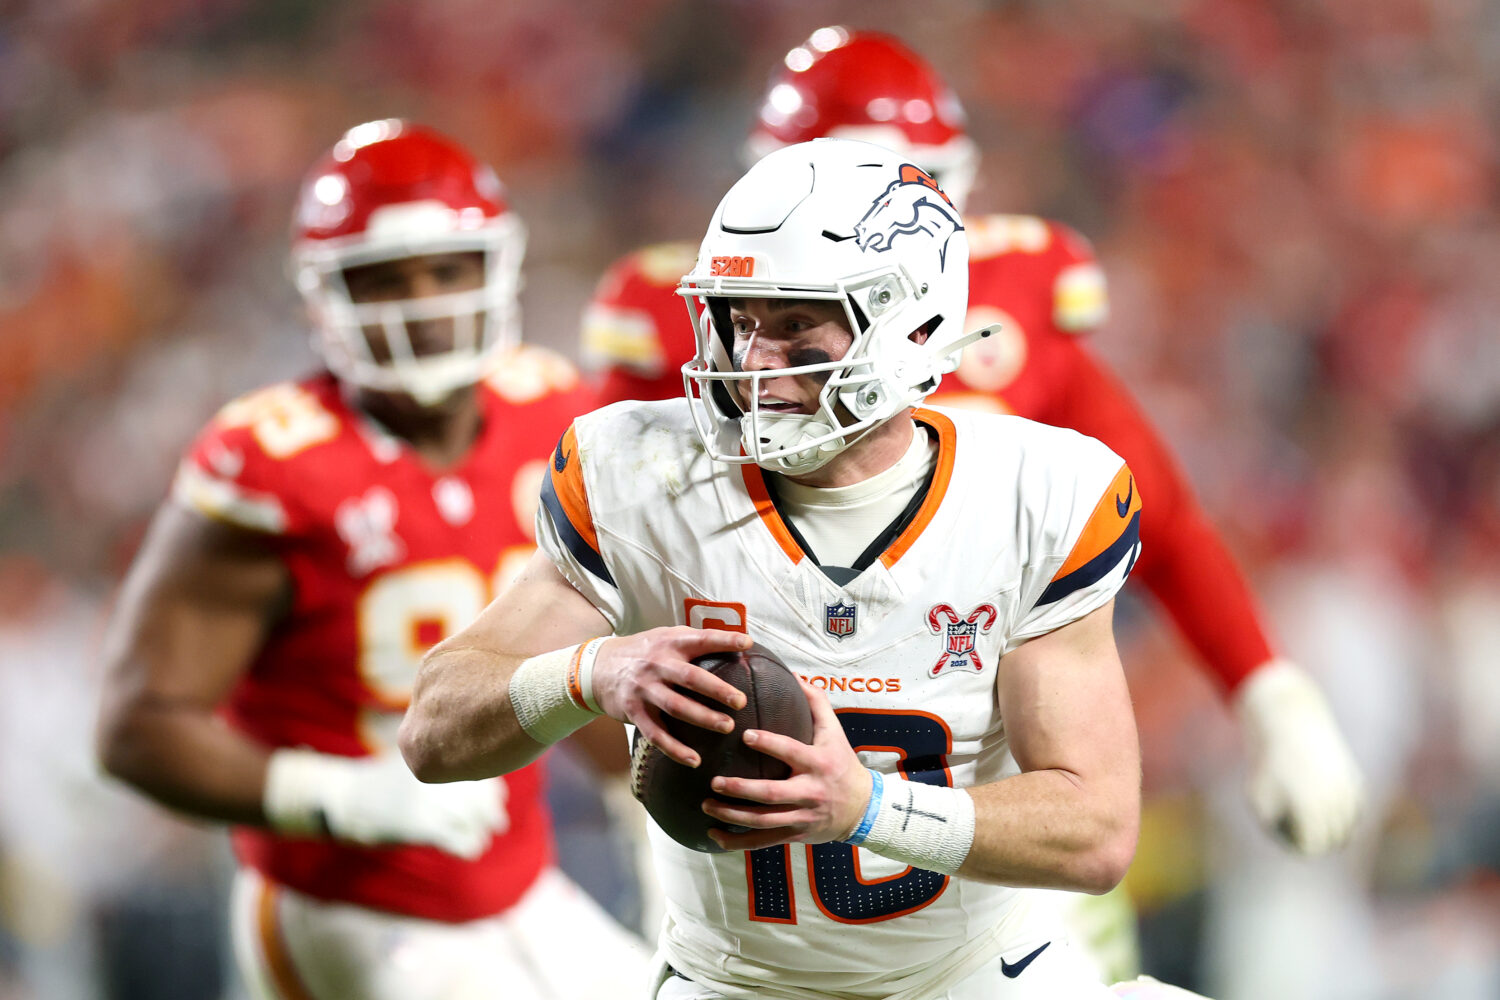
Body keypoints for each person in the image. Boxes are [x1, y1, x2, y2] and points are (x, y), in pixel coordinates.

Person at [402, 137, 1210, 1000]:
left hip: (972, 981)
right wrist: (588, 670)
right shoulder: (638, 475)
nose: (755, 362)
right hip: (732, 987)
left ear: (915, 323)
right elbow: (431, 731)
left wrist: (868, 808)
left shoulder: (1037, 492)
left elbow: (1094, 831)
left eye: (796, 325)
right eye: (741, 321)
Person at [581, 28, 1364, 866]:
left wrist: (1264, 687)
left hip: (976, 783)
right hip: (748, 761)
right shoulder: (691, 317)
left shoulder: (1012, 308)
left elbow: (1159, 516)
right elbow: (589, 567)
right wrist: (615, 767)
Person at [96, 119, 648, 1000]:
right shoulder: (274, 461)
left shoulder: (549, 411)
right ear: (323, 296)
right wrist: (345, 796)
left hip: (513, 880)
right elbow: (137, 728)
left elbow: (563, 643)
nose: (424, 304)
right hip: (344, 899)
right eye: (384, 279)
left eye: (446, 270)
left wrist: (635, 788)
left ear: (495, 267)